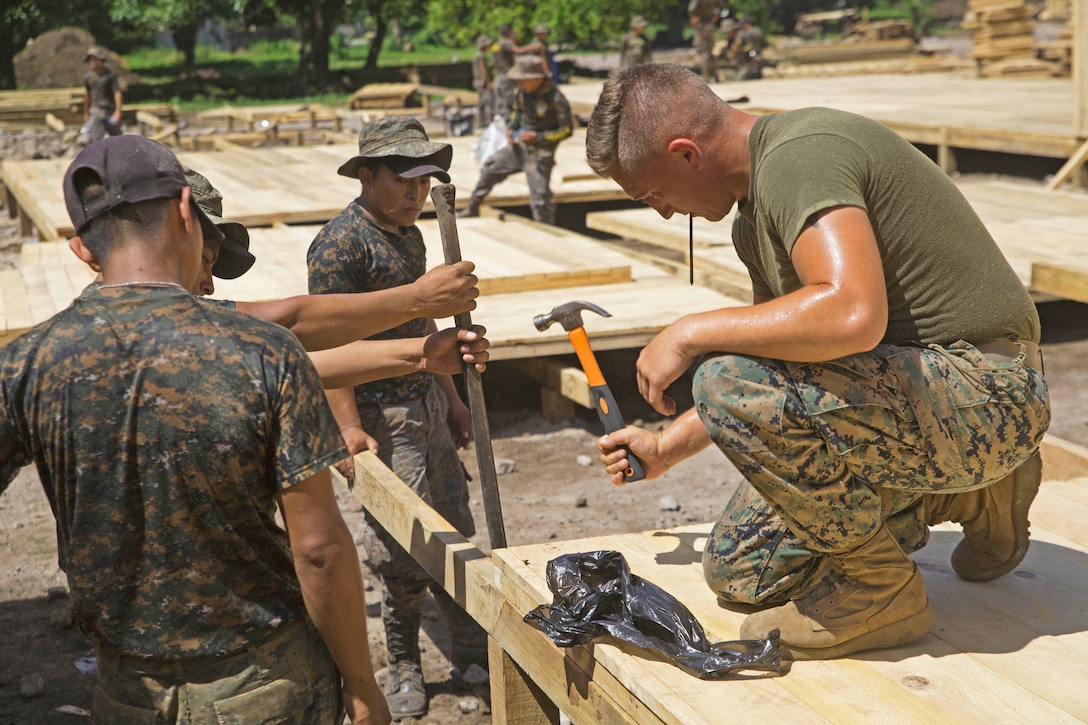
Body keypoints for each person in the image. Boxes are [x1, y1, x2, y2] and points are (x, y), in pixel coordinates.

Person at [586, 64, 1050, 660]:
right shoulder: (754, 218)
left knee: (720, 372)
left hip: (991, 393)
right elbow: (776, 379)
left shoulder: (800, 157)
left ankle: (881, 590)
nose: (665, 214)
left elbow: (853, 314)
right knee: (742, 573)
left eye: (653, 195)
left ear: (685, 154)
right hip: (921, 405)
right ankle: (970, 494)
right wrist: (667, 448)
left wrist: (692, 331)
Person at [0, 135, 391, 724]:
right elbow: (319, 551)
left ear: (82, 247)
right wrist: (361, 686)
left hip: (126, 690)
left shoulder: (25, 364)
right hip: (265, 682)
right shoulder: (264, 353)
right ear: (187, 211)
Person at [307, 116, 488, 721]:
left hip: (428, 403)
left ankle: (470, 645)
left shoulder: (410, 235)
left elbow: (425, 319)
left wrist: (453, 398)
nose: (415, 193)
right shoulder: (340, 245)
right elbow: (327, 348)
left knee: (454, 523)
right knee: (399, 543)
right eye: (403, 180)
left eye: (424, 181)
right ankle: (404, 659)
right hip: (381, 412)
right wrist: (348, 425)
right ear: (366, 176)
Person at [457, 56, 572, 225]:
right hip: (518, 147)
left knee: (540, 198)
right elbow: (516, 114)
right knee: (489, 170)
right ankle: (472, 208)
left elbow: (566, 130)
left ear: (537, 78)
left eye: (523, 80)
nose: (520, 84)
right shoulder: (521, 94)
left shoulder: (556, 99)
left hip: (540, 153)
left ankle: (546, 229)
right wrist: (511, 128)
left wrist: (538, 137)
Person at [81, 46, 123, 144]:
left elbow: (117, 93)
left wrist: (118, 111)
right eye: (91, 60)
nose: (93, 63)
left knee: (118, 140)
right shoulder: (88, 77)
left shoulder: (109, 76)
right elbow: (87, 95)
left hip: (109, 111)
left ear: (101, 61)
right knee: (97, 141)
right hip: (96, 111)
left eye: (95, 60)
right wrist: (86, 113)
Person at [687, 0, 724, 82]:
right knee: (710, 51)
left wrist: (693, 18)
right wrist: (716, 16)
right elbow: (722, 6)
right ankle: (715, 75)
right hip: (711, 25)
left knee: (704, 53)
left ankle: (706, 77)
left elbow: (691, 9)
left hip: (702, 25)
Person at [472, 35, 494, 129]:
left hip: (478, 82)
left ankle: (481, 123)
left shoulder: (478, 55)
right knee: (488, 102)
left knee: (481, 103)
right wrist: (489, 83)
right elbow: (483, 69)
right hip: (482, 82)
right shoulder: (481, 56)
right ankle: (487, 123)